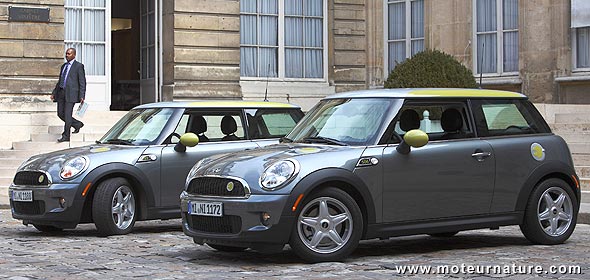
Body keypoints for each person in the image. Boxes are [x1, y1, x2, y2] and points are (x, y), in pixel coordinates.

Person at [51, 48, 85, 142]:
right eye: (66, 54)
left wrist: (82, 95)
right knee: (60, 114)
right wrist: (54, 93)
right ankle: (77, 124)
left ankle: (66, 136)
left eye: (69, 54)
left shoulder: (79, 66)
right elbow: (60, 81)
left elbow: (82, 82)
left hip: (72, 94)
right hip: (61, 92)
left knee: (67, 114)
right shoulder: (64, 66)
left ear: (74, 55)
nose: (67, 55)